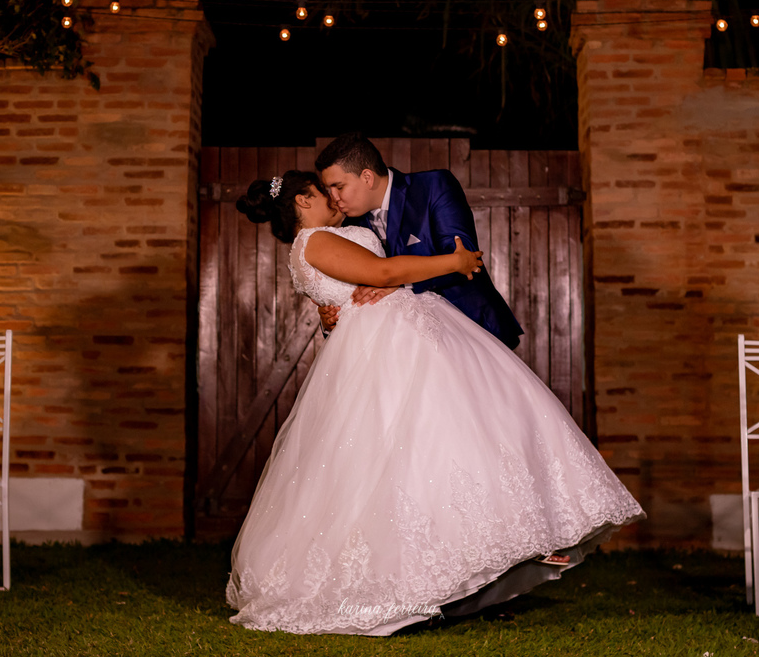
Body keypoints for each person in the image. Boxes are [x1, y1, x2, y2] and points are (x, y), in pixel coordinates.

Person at [225, 170, 644, 636]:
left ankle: (481, 560)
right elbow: (383, 273)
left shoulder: (317, 244)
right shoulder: (316, 242)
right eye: (327, 194)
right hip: (391, 351)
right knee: (430, 450)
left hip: (397, 341)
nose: (336, 201)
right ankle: (419, 577)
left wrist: (349, 305)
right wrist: (453, 261)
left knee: (441, 449)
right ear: (303, 201)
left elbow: (356, 292)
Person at [314, 133, 524, 349]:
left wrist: (398, 283)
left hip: (472, 332)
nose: (334, 198)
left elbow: (465, 258)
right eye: (328, 190)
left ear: (367, 177)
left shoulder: (433, 187)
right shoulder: (350, 226)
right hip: (403, 348)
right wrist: (331, 318)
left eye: (338, 187)